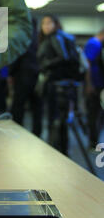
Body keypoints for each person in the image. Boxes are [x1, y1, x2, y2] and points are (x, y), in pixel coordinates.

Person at [37, 14, 81, 153]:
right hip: (62, 83)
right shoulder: (63, 37)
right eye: (44, 23)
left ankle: (57, 150)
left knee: (55, 119)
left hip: (56, 83)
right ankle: (61, 149)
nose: (46, 26)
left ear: (56, 24)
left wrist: (45, 64)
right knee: (60, 119)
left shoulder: (56, 38)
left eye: (49, 23)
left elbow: (63, 57)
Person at [9, 17, 43, 137]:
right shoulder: (40, 39)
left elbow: (16, 57)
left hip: (23, 75)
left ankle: (17, 132)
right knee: (36, 107)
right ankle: (37, 133)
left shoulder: (23, 39)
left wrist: (11, 73)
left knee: (18, 105)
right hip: (37, 77)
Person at [84, 28, 104, 149]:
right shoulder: (94, 43)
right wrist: (89, 84)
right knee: (94, 114)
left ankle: (95, 140)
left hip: (99, 85)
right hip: (95, 85)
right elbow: (87, 64)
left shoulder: (99, 44)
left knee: (99, 115)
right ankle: (93, 142)